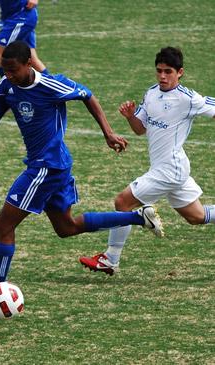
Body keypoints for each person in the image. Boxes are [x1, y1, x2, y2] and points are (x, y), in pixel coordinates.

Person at [0, 41, 163, 317]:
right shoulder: (6, 88)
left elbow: (87, 95)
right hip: (52, 166)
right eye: (4, 70)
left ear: (28, 64)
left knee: (3, 224)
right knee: (66, 227)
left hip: (48, 167)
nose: (8, 75)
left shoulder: (51, 86)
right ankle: (139, 217)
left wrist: (108, 132)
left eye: (13, 70)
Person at [80, 46, 215, 276]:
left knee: (122, 203)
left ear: (179, 72)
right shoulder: (151, 93)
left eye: (168, 72)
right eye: (159, 71)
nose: (162, 76)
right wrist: (131, 116)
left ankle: (110, 259)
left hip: (170, 169)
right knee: (196, 216)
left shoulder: (188, 99)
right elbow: (140, 129)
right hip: (169, 167)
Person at [0, 0, 47, 77]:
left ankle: (9, 86)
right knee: (32, 59)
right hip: (14, 17)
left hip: (21, 17)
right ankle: (51, 86)